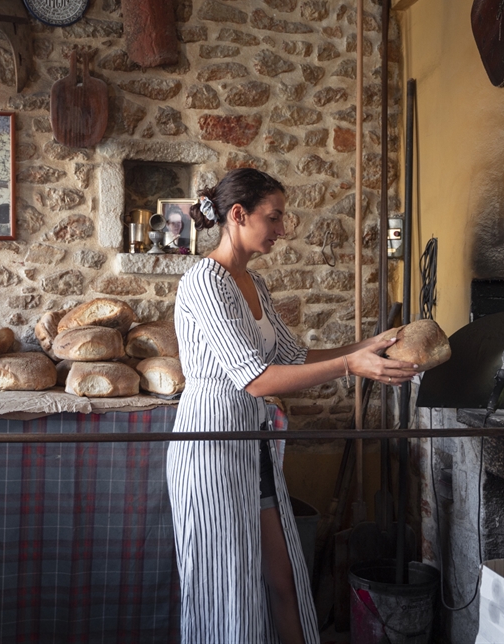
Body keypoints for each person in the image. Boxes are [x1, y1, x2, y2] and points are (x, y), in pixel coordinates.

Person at [167, 168, 418, 644]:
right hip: (213, 447)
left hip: (254, 448)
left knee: (283, 579)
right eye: (274, 217)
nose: (282, 229)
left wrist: (372, 345)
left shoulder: (253, 285)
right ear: (238, 215)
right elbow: (256, 379)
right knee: (226, 589)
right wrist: (350, 366)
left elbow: (291, 356)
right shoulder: (205, 281)